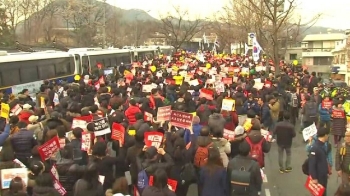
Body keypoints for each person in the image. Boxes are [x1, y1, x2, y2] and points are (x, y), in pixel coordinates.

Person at [308, 127, 330, 196]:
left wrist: (327, 172)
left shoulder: (323, 145)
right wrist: (314, 177)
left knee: (323, 193)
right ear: (325, 135)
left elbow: (323, 161)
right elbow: (312, 163)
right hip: (318, 176)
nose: (328, 136)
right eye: (327, 135)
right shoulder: (315, 147)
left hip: (323, 176)